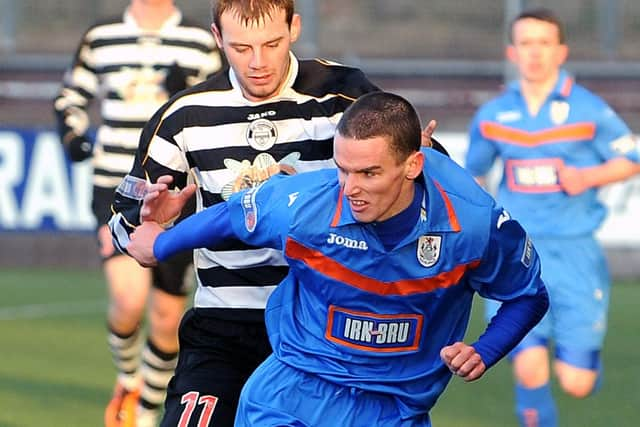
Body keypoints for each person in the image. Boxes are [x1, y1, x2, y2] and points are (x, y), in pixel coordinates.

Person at [123, 91, 549, 426]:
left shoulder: (472, 222)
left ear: (413, 165)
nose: (350, 189)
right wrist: (157, 244)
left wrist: (485, 349)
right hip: (292, 392)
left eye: (369, 173)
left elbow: (527, 296)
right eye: (343, 169)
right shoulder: (307, 204)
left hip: (394, 409)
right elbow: (230, 216)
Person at [465, 8, 640, 427]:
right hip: (517, 254)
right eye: (526, 43)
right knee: (529, 366)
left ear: (560, 51)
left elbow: (631, 158)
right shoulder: (491, 117)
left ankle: (578, 362)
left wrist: (588, 176)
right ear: (513, 51)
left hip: (575, 253)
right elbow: (474, 176)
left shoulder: (588, 110)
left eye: (544, 43)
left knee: (576, 381)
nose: (535, 53)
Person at [52, 1, 222, 426]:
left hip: (178, 188)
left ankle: (145, 413)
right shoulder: (102, 36)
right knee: (128, 301)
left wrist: (191, 90)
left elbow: (225, 98)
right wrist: (75, 136)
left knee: (167, 319)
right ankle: (129, 379)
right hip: (117, 185)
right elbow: (69, 98)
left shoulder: (200, 40)